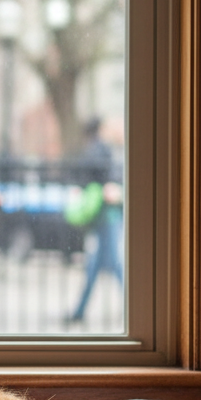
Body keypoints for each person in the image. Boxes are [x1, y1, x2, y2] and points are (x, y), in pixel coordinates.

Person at [68, 117, 123, 324]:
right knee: (103, 263)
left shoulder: (96, 150)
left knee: (107, 263)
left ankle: (80, 311)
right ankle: (80, 310)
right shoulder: (104, 150)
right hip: (107, 213)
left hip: (103, 214)